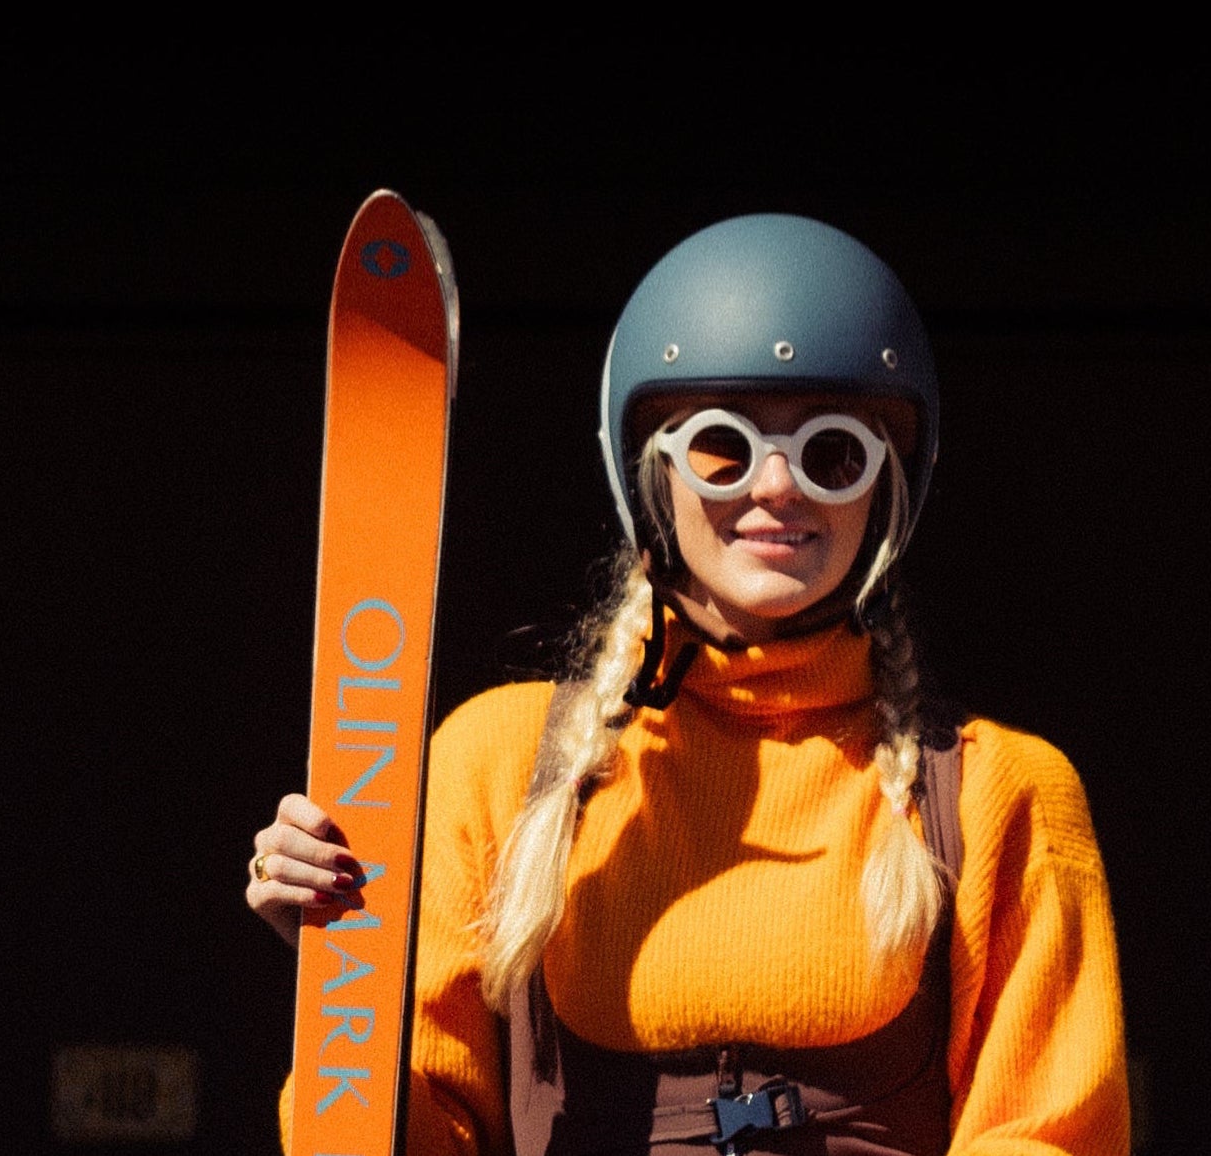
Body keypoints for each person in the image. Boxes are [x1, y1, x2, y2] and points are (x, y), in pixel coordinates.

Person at [248, 215, 1129, 1154]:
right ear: (651, 478)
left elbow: (1048, 1134)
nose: (780, 487)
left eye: (834, 453)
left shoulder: (996, 793)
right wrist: (346, 994)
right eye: (723, 446)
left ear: (888, 491)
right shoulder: (501, 765)